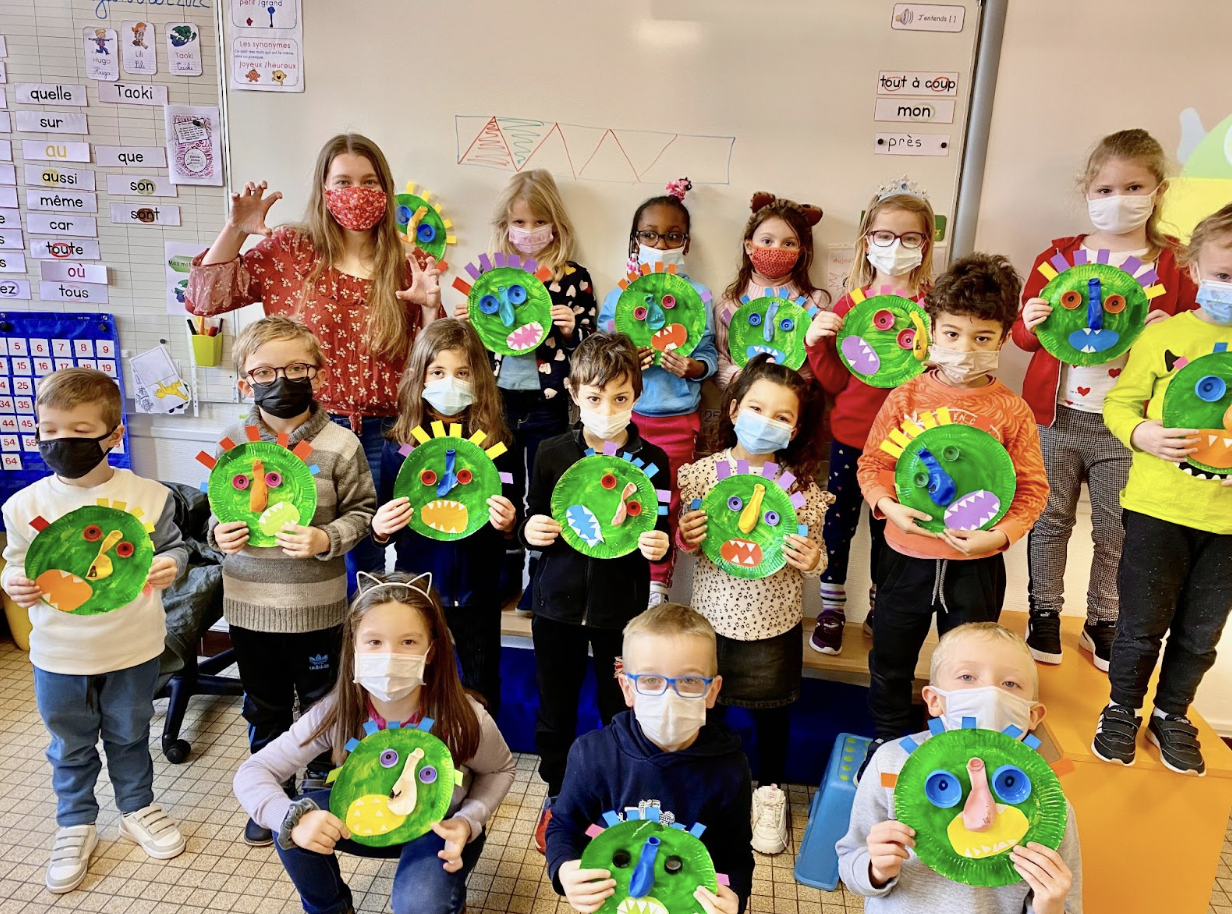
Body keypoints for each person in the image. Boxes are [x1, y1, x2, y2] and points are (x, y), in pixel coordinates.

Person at [185, 132, 443, 585]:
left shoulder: (406, 260)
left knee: (407, 550)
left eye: (368, 181)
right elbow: (204, 300)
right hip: (310, 431)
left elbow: (434, 358)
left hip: (393, 432)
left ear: (384, 188)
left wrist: (427, 309)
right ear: (323, 190)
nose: (355, 193)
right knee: (320, 557)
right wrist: (236, 230)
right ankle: (332, 652)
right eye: (342, 182)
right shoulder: (291, 249)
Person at [854, 254, 1049, 778]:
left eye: (983, 337)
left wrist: (999, 538)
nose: (966, 349)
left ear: (1004, 337)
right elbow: (874, 462)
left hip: (976, 565)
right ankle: (887, 740)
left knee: (973, 670)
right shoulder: (908, 396)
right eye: (953, 334)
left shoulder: (1011, 410)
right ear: (932, 332)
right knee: (891, 657)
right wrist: (888, 506)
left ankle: (966, 751)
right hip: (905, 558)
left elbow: (1031, 490)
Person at [1012, 129, 1199, 671]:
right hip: (1057, 414)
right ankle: (1043, 615)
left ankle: (1102, 620)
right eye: (1104, 189)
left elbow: (1196, 346)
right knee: (1050, 521)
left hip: (1130, 424)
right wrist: (1029, 323)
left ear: (1157, 190)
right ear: (1087, 192)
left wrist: (1173, 337)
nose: (1118, 199)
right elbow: (1024, 340)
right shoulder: (1061, 256)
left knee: (1118, 526)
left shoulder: (1175, 264)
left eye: (1133, 186)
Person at [1, 368, 188, 893]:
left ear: (112, 436)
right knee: (70, 742)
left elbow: (175, 548)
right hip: (58, 653)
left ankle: (137, 808)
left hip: (133, 647)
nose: (62, 442)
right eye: (50, 430)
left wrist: (172, 564)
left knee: (130, 734)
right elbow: (14, 562)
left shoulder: (150, 496)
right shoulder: (24, 506)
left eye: (80, 432)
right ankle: (75, 821)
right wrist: (13, 580)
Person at [233, 572, 516, 914]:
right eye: (374, 642)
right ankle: (331, 908)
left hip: (438, 825)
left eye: (408, 642)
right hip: (364, 817)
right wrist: (289, 817)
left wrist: (470, 819)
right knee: (295, 821)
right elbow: (254, 771)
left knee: (420, 904)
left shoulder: (461, 716)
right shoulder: (337, 711)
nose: (389, 655)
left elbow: (500, 769)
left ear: (430, 651)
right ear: (353, 646)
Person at [209, 316, 376, 846]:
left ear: (317, 374)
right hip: (250, 605)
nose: (282, 379)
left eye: (297, 367)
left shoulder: (340, 443)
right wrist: (220, 534)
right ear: (244, 381)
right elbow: (213, 516)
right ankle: (270, 791)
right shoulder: (232, 442)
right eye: (264, 371)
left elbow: (364, 512)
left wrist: (326, 539)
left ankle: (322, 784)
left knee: (324, 701)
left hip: (319, 607)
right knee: (264, 705)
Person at [1092, 202, 1232, 777]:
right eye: (1225, 275)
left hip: (1225, 526)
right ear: (1195, 270)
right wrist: (1143, 432)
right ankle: (1122, 706)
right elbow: (1119, 403)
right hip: (1157, 508)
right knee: (1141, 623)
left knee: (1201, 632)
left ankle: (1173, 713)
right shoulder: (1167, 335)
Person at [520, 332, 672, 852]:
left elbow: (663, 529)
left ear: (638, 395)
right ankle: (558, 794)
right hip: (556, 606)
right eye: (593, 398)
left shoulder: (653, 460)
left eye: (620, 398)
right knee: (555, 709)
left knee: (618, 707)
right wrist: (531, 530)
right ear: (572, 392)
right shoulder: (550, 451)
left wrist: (658, 544)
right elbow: (532, 510)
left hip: (620, 609)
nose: (606, 410)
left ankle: (615, 796)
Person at [677, 356, 831, 854]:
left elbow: (817, 556)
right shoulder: (702, 475)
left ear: (796, 428)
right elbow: (687, 541)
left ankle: (768, 793)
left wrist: (812, 557)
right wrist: (686, 536)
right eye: (758, 408)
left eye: (782, 416)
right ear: (736, 408)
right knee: (708, 712)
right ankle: (710, 789)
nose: (767, 421)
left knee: (772, 716)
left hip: (773, 621)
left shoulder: (803, 491)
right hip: (710, 619)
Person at [837, 623, 1082, 913]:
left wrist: (1050, 904)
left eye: (1010, 684)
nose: (990, 692)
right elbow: (850, 857)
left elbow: (1068, 906)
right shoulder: (891, 764)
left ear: (1032, 715)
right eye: (967, 676)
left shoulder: (1048, 804)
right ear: (934, 701)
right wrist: (875, 870)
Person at [546, 602, 753, 914]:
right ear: (628, 689)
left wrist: (733, 896)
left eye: (689, 681)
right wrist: (564, 869)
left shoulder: (730, 769)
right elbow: (564, 825)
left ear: (712, 692)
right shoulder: (592, 755)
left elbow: (735, 856)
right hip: (613, 899)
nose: (669, 695)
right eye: (651, 681)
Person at [455, 170, 598, 612]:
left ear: (556, 223)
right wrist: (465, 321)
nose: (529, 232)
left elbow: (592, 347)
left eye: (539, 222)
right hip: (496, 403)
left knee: (545, 488)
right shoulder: (489, 276)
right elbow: (470, 346)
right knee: (502, 488)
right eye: (520, 222)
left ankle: (541, 581)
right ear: (505, 224)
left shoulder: (573, 277)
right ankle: (504, 576)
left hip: (547, 403)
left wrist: (575, 328)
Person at [805, 177, 937, 654]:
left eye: (909, 238)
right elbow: (836, 382)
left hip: (908, 443)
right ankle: (832, 607)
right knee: (838, 523)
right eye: (884, 236)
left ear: (926, 245)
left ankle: (882, 608)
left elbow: (940, 384)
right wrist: (815, 343)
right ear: (868, 241)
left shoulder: (934, 309)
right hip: (851, 436)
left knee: (892, 528)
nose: (895, 247)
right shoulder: (852, 303)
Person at [372, 319, 517, 716]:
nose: (449, 382)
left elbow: (513, 516)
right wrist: (380, 529)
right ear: (420, 378)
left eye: (463, 372)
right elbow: (380, 516)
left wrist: (508, 525)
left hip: (478, 586)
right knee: (417, 679)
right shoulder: (399, 447)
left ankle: (478, 761)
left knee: (481, 682)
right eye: (438, 372)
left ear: (479, 379)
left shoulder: (498, 443)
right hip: (420, 585)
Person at [598, 178, 718, 606]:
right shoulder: (618, 296)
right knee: (618, 495)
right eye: (649, 234)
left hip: (677, 422)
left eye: (671, 235)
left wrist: (693, 366)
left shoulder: (699, 296)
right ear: (635, 241)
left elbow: (709, 356)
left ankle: (657, 587)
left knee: (665, 505)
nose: (659, 242)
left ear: (685, 243)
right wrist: (625, 360)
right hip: (624, 422)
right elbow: (599, 358)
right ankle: (617, 576)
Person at [714, 192, 829, 387]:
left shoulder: (815, 302)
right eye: (767, 241)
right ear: (749, 246)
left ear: (800, 252)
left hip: (795, 405)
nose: (777, 249)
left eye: (789, 243)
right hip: (743, 404)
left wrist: (788, 384)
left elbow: (821, 364)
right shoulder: (730, 302)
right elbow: (718, 358)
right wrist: (744, 380)